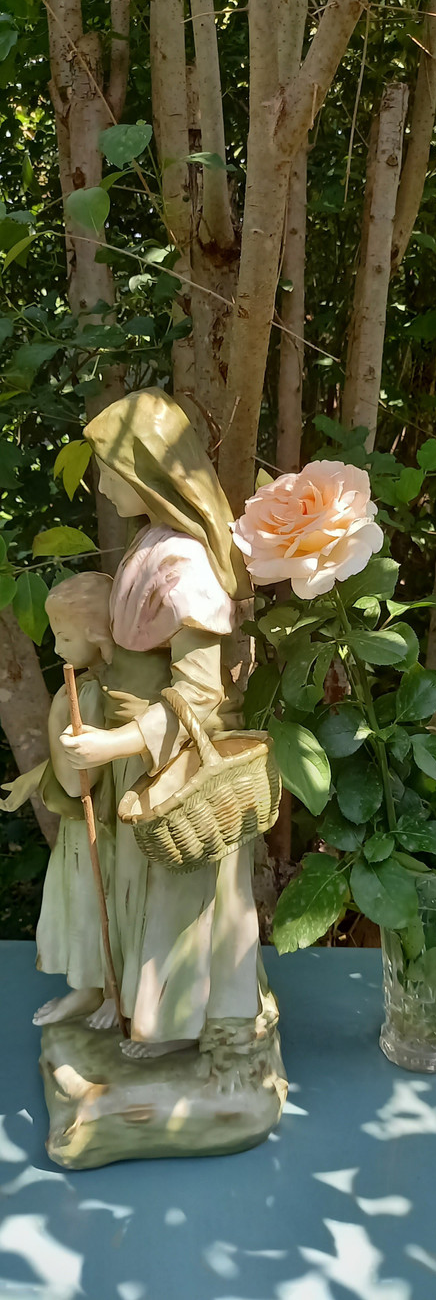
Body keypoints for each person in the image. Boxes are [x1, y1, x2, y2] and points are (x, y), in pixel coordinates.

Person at [59, 389, 265, 1060]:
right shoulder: (151, 542)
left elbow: (199, 696)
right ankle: (132, 1008)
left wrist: (117, 739)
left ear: (147, 471)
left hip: (172, 766)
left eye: (109, 469)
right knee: (140, 888)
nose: (100, 482)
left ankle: (176, 1022)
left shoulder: (185, 565)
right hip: (134, 751)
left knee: (182, 897)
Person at [1, 572, 119, 1027]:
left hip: (105, 829)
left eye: (64, 636)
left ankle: (113, 992)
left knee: (103, 908)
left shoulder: (95, 697)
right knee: (81, 908)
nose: (55, 649)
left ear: (97, 634)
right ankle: (88, 990)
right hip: (80, 828)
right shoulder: (91, 688)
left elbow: (76, 784)